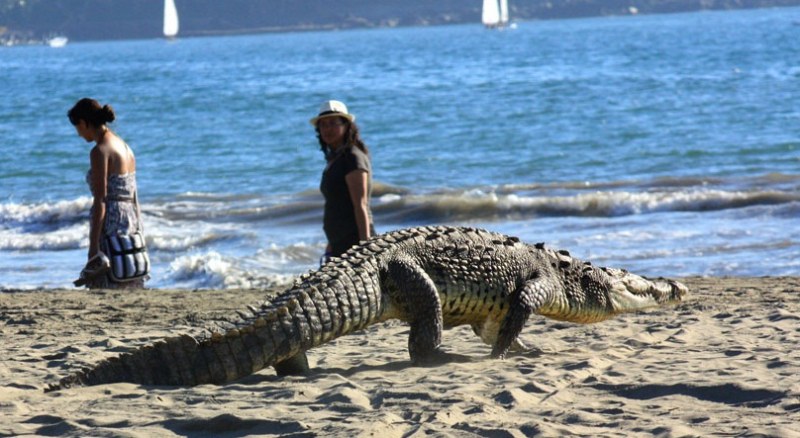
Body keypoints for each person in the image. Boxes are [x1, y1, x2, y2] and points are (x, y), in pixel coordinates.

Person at [68, 98, 148, 289]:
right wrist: (139, 227)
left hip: (111, 219)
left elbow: (101, 200)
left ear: (85, 122)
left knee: (106, 279)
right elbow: (133, 194)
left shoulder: (100, 151)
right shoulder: (125, 147)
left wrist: (93, 247)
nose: (78, 133)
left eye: (77, 126)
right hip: (130, 217)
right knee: (127, 269)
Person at [311, 100, 376, 262]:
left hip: (354, 242)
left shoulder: (352, 158)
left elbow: (360, 205)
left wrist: (365, 247)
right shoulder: (335, 158)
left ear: (346, 125)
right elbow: (337, 205)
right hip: (339, 242)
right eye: (323, 125)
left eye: (333, 123)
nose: (327, 129)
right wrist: (331, 244)